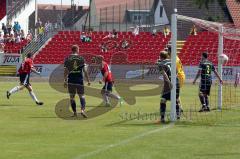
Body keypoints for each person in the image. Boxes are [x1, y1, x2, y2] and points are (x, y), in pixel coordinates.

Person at [64, 45, 91, 117]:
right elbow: (85, 71)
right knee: (82, 96)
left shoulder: (68, 58)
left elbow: (66, 71)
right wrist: (88, 80)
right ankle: (82, 110)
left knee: (72, 97)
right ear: (77, 50)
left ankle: (75, 113)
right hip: (79, 80)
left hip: (71, 80)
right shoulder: (81, 58)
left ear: (71, 50)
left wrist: (65, 80)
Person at [157, 51, 181, 123]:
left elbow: (164, 75)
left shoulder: (161, 64)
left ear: (160, 57)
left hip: (169, 83)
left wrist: (169, 83)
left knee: (163, 100)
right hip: (177, 82)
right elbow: (176, 72)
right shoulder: (172, 62)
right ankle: (178, 115)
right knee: (175, 99)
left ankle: (162, 118)